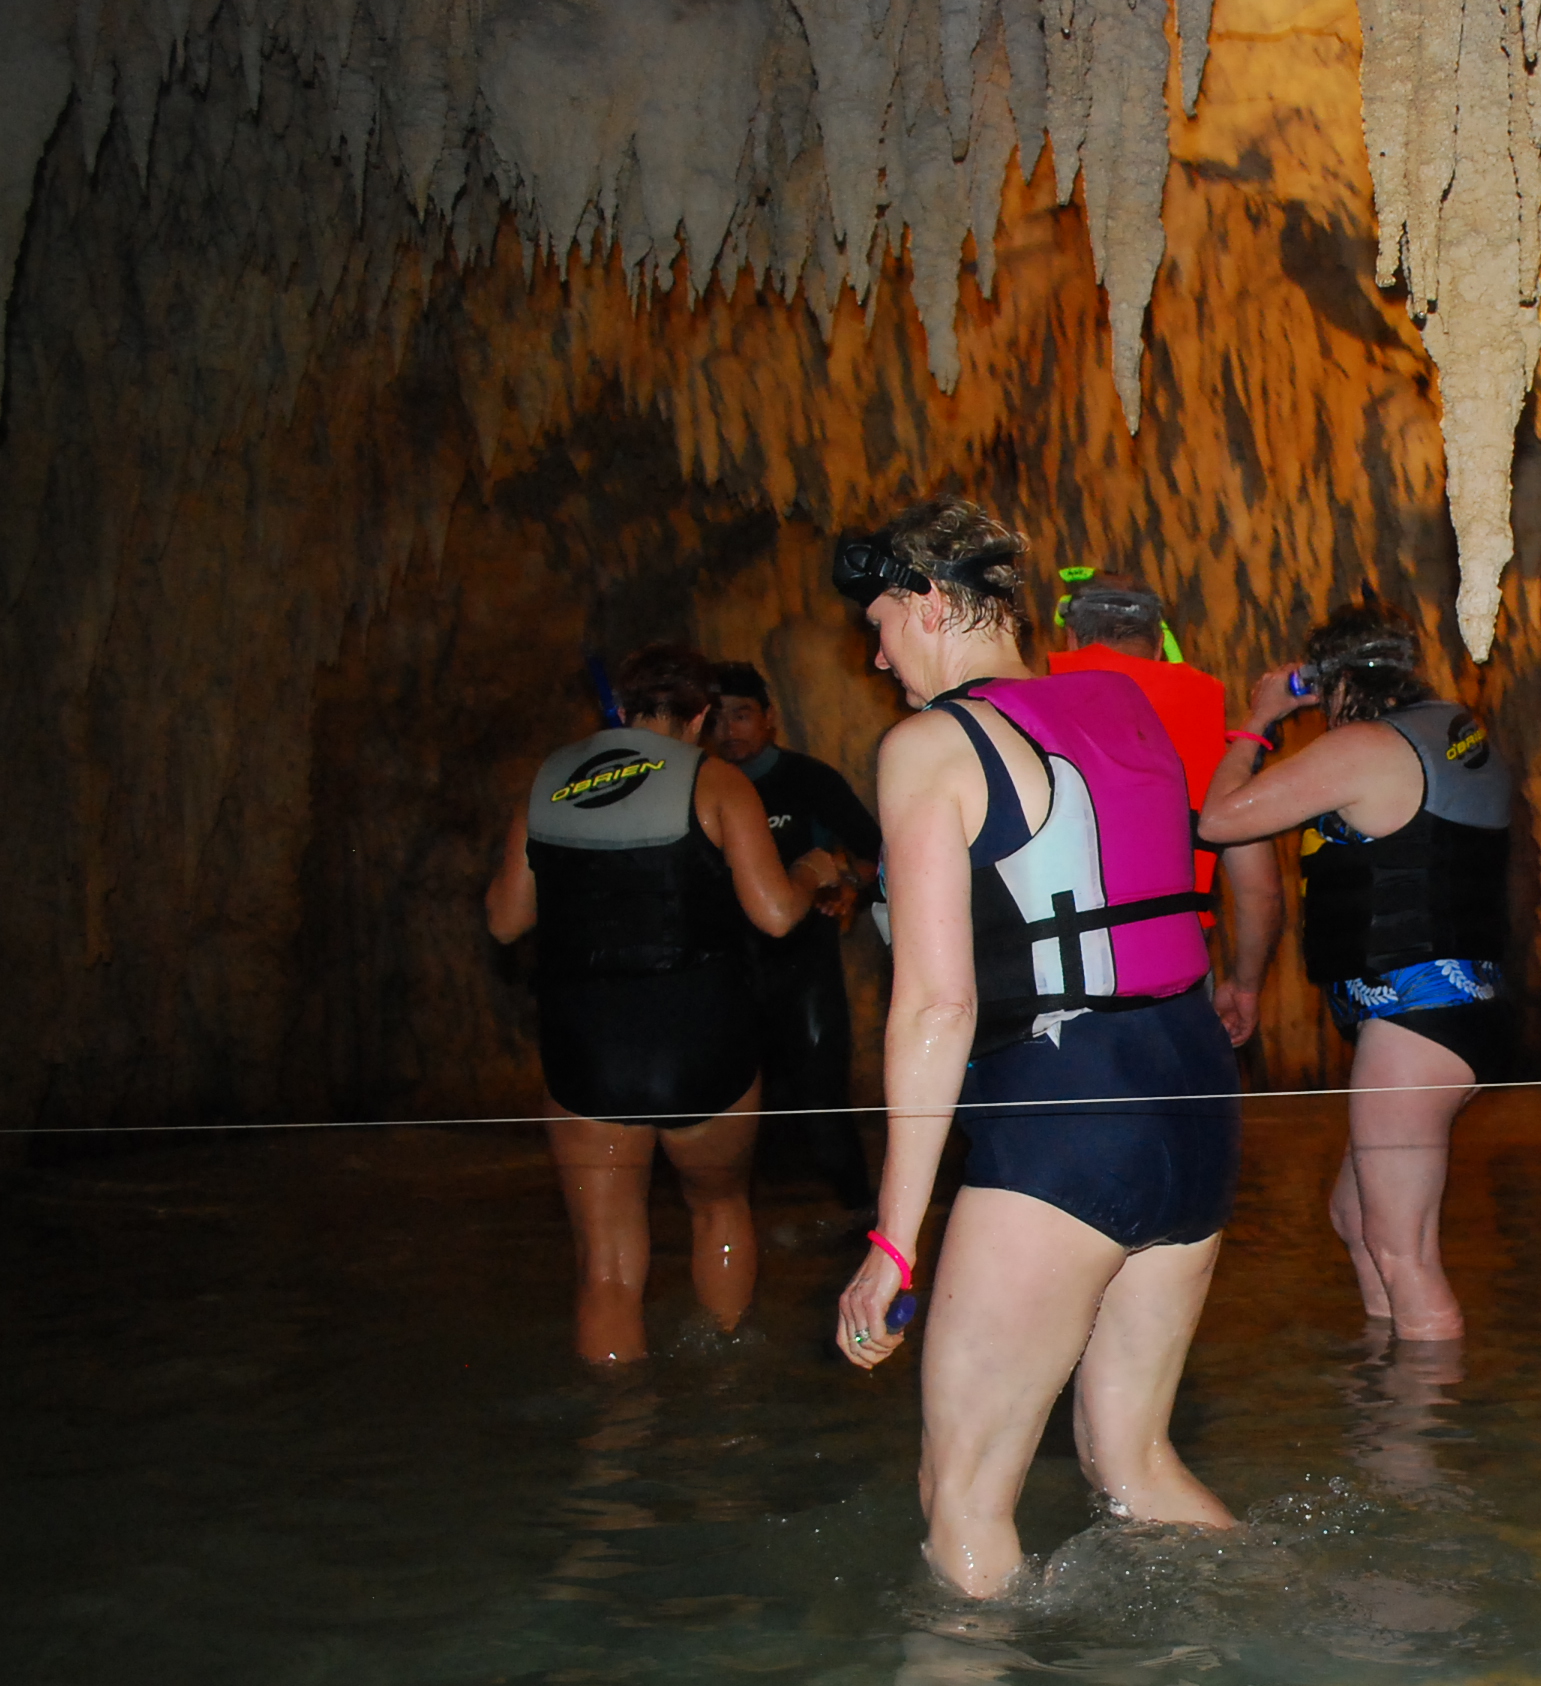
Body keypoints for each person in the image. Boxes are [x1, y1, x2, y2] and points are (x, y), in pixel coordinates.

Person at [827, 498, 1240, 1599]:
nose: (876, 657)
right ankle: (1270, 1643)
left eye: (880, 625)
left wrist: (893, 1242)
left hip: (1066, 1110)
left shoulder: (931, 747)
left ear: (928, 603)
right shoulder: (1125, 703)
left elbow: (935, 1006)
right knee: (1134, 1463)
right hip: (1194, 1095)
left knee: (961, 1500)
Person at [486, 646, 832, 1364]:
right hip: (700, 1036)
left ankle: (617, 1422)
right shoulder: (716, 781)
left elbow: (505, 920)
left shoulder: (550, 779)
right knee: (718, 1206)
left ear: (620, 709)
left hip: (588, 1042)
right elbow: (774, 915)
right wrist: (811, 871)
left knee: (606, 1267)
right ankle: (725, 1389)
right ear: (701, 716)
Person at [1197, 600, 1514, 1341]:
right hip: (1460, 1015)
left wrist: (1257, 722)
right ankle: (1386, 1379)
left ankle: (1430, 1408)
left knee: (1405, 1251)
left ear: (1332, 681)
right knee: (1356, 1215)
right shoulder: (1452, 732)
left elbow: (1219, 819)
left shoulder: (1368, 747)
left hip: (1415, 1018)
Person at [1047, 576, 1285, 1046]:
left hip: (1058, 972)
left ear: (1071, 639)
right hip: (1178, 969)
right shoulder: (1212, 733)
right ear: (1159, 645)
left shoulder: (1024, 714)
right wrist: (1245, 985)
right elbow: (1260, 891)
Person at [705, 660, 882, 1208]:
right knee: (732, 1108)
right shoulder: (700, 788)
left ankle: (859, 1213)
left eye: (741, 715)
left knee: (821, 1097)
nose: (729, 729)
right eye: (717, 718)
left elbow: (875, 854)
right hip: (724, 968)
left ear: (769, 718)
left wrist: (849, 883)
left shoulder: (808, 781)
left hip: (803, 964)